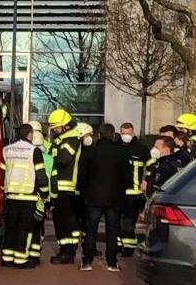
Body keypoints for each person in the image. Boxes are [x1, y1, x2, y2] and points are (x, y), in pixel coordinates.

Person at [78, 124, 129, 272]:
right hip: (114, 197)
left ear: (99, 135)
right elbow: (126, 176)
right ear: (113, 135)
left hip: (94, 196)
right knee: (112, 230)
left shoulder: (90, 152)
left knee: (91, 230)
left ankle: (87, 261)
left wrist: (83, 193)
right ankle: (112, 262)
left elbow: (82, 175)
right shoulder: (121, 152)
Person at [0, 123, 49, 269]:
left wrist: (4, 190)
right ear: (30, 134)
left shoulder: (7, 150)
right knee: (24, 229)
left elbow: (2, 174)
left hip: (11, 196)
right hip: (28, 196)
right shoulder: (34, 151)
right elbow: (41, 175)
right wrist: (44, 193)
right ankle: (21, 259)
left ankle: (7, 258)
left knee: (10, 228)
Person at [47, 109, 84, 264]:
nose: (54, 130)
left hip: (65, 186)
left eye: (56, 127)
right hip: (61, 186)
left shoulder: (70, 139)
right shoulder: (63, 138)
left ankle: (66, 253)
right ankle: (68, 250)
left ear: (65, 125)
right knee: (66, 220)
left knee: (63, 221)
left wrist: (49, 159)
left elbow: (63, 159)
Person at [118, 122, 150, 257]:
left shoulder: (141, 148)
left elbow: (150, 166)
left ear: (133, 133)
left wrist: (147, 181)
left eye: (128, 133)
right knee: (116, 222)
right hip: (118, 192)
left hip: (134, 193)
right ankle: (118, 245)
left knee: (128, 223)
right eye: (123, 133)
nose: (126, 136)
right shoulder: (116, 146)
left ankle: (128, 248)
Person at [29, 121, 53, 264]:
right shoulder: (48, 156)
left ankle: (30, 251)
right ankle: (36, 250)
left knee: (28, 225)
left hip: (27, 194)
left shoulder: (25, 153)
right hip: (43, 195)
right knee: (39, 224)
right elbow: (48, 178)